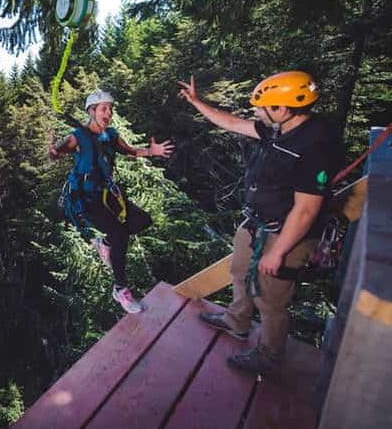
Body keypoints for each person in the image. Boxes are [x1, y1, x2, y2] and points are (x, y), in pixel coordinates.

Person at [177, 71, 342, 373]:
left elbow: (306, 210)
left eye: (262, 107)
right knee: (240, 271)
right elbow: (232, 123)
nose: (255, 112)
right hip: (257, 221)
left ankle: (269, 355)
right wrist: (197, 102)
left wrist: (278, 252)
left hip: (287, 234)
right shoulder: (280, 128)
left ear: (282, 109)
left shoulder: (314, 147)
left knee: (271, 298)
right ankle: (236, 321)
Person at [48, 90, 174, 313]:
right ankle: (121, 290)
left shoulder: (111, 136)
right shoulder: (78, 136)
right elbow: (57, 153)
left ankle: (105, 244)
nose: (109, 113)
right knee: (120, 234)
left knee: (143, 221)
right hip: (87, 199)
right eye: (104, 109)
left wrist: (151, 151)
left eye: (110, 109)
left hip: (108, 194)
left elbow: (130, 151)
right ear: (91, 111)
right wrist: (52, 152)